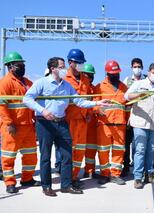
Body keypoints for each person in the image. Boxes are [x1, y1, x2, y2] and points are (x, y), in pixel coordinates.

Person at [23, 57, 111, 197]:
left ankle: (66, 185)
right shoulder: (42, 83)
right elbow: (27, 99)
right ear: (53, 69)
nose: (64, 69)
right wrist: (43, 111)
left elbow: (79, 101)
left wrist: (98, 103)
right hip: (44, 123)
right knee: (45, 156)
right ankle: (47, 186)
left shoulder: (66, 85)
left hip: (61, 122)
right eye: (61, 67)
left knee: (67, 155)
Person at [125, 62, 154, 189]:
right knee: (140, 150)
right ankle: (138, 177)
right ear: (149, 71)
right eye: (153, 72)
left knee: (151, 150)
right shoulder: (139, 84)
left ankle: (149, 174)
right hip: (140, 122)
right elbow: (127, 96)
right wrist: (139, 95)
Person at [0, 51, 40, 193]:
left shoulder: (28, 83)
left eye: (23, 65)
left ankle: (27, 178)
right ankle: (10, 183)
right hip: (13, 127)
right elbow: (2, 105)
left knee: (30, 154)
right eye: (19, 65)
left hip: (28, 125)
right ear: (10, 67)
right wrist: (9, 123)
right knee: (9, 156)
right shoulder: (5, 83)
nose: (22, 67)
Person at [94, 60, 128, 185]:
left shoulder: (124, 88)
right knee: (103, 150)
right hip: (104, 124)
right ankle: (104, 174)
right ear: (107, 73)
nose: (116, 75)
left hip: (120, 124)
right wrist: (98, 109)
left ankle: (115, 174)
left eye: (117, 73)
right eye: (113, 73)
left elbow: (127, 107)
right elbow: (94, 104)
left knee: (119, 150)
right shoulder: (100, 86)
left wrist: (127, 121)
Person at [64, 48, 91, 189]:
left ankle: (74, 177)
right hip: (69, 120)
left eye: (82, 62)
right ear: (70, 62)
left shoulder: (85, 79)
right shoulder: (64, 79)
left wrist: (88, 113)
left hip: (82, 121)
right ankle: (66, 178)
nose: (80, 65)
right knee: (68, 151)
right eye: (78, 62)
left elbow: (89, 98)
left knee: (80, 150)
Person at [122, 58, 144, 176]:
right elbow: (124, 97)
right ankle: (125, 166)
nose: (137, 69)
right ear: (131, 67)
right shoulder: (127, 81)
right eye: (135, 66)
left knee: (138, 144)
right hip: (128, 116)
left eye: (139, 66)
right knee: (126, 143)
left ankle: (137, 166)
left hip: (140, 116)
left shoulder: (145, 80)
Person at [81, 64, 99, 179]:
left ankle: (89, 170)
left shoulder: (95, 89)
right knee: (77, 149)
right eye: (87, 75)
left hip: (92, 124)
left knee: (91, 149)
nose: (90, 77)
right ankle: (72, 173)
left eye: (91, 75)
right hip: (80, 122)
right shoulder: (79, 88)